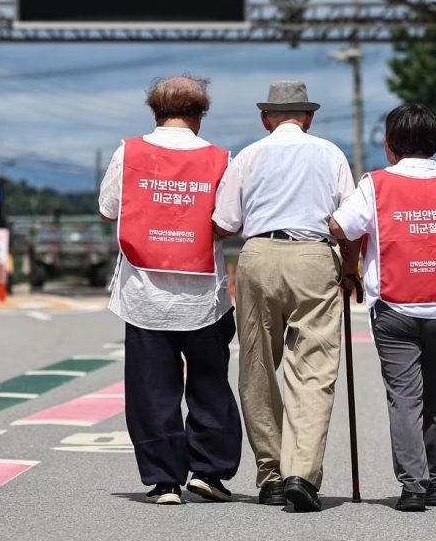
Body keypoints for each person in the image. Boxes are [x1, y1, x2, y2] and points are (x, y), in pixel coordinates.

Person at [328, 104, 436, 512]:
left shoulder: (376, 185)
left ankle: (413, 487)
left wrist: (352, 262)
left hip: (395, 307)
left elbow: (339, 226)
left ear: (389, 145)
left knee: (404, 398)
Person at [213, 80, 358, 512]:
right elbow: (349, 222)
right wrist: (351, 269)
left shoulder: (248, 155)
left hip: (258, 254)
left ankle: (272, 475)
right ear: (309, 117)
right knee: (314, 370)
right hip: (314, 255)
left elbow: (224, 222)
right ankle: (302, 474)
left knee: (257, 366)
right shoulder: (330, 153)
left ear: (266, 119)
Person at [98, 76, 241, 506]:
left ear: (155, 111)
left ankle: (164, 482)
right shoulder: (221, 158)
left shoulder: (129, 152)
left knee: (152, 391)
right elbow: (229, 223)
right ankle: (209, 473)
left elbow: (108, 209)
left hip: (144, 295)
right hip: (204, 298)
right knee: (210, 386)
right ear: (200, 116)